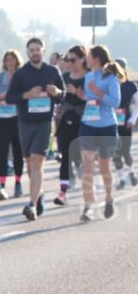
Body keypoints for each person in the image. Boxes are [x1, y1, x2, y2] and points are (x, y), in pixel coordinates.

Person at [5, 38, 64, 221]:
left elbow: (63, 96)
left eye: (38, 49)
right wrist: (27, 95)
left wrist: (56, 92)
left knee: (37, 163)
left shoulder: (52, 71)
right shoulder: (21, 74)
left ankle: (31, 205)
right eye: (32, 50)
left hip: (44, 122)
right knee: (30, 165)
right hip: (25, 122)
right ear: (27, 52)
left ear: (43, 51)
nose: (35, 52)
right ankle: (39, 193)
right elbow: (9, 97)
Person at [77, 45, 123, 221]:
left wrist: (98, 93)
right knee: (87, 167)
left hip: (107, 127)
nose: (85, 59)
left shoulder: (111, 78)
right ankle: (87, 207)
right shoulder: (88, 76)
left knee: (104, 168)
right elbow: (90, 99)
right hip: (88, 125)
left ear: (96, 58)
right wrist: (82, 95)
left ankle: (109, 198)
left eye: (88, 55)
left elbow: (116, 102)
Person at [0, 50, 24, 200]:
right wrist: (2, 96)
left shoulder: (21, 77)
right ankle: (2, 185)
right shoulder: (0, 77)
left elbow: (26, 96)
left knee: (18, 152)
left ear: (17, 61)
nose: (9, 62)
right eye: (7, 60)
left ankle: (18, 182)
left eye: (12, 59)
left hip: (17, 119)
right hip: (1, 119)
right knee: (2, 152)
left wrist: (14, 98)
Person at [54, 45, 87, 205]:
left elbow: (96, 98)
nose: (69, 63)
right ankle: (63, 192)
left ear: (82, 59)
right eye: (67, 60)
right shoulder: (64, 77)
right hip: (65, 119)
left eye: (73, 60)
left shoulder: (90, 77)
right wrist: (58, 94)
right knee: (65, 156)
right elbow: (58, 97)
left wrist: (77, 93)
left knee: (82, 155)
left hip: (84, 120)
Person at [112, 57, 137, 189]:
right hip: (112, 123)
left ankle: (131, 172)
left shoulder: (131, 86)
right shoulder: (110, 84)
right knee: (115, 153)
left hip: (126, 123)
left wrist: (133, 119)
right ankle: (121, 178)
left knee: (125, 152)